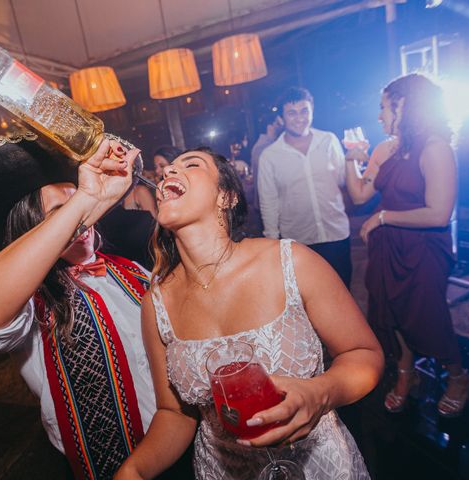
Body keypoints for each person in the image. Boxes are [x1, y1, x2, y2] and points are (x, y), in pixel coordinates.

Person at [0, 132, 191, 479]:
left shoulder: (132, 271)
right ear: (33, 231)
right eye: (61, 213)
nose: (81, 221)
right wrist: (86, 199)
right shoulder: (30, 301)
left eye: (80, 205)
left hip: (183, 447)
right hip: (111, 467)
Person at [115, 147, 384, 479]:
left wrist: (320, 393)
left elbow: (364, 354)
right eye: (166, 170)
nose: (168, 172)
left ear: (225, 197)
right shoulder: (156, 304)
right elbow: (175, 413)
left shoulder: (290, 261)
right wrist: (134, 468)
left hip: (317, 467)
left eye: (191, 165)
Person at [344, 73, 469, 417]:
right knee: (391, 314)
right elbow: (358, 195)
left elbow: (439, 214)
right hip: (388, 248)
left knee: (427, 316)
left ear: (404, 105)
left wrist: (383, 217)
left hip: (425, 248)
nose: (379, 116)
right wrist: (351, 158)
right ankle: (406, 374)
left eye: (384, 107)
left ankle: (457, 376)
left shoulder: (436, 148)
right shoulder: (385, 149)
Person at [258, 87, 353, 287]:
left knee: (344, 293)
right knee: (308, 303)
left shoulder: (328, 141)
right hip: (299, 242)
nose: (299, 118)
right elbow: (268, 202)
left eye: (304, 111)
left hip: (336, 234)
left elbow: (344, 180)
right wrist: (272, 242)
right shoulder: (270, 156)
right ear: (282, 119)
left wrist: (356, 161)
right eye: (292, 113)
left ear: (312, 112)